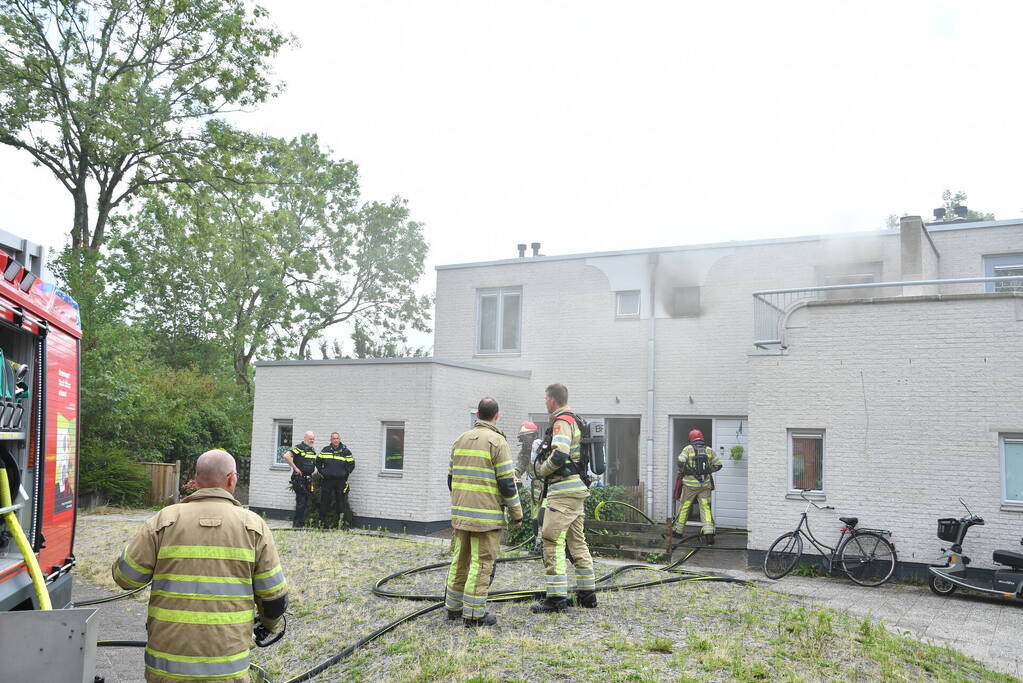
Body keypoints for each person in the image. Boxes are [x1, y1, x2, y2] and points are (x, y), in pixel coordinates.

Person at [111, 449, 287, 683]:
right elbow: (274, 598)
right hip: (227, 669)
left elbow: (127, 578)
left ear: (195, 480)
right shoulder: (254, 526)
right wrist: (268, 626)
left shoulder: (163, 520)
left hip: (167, 668)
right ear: (232, 479)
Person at [445, 396, 523, 627]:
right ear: (496, 416)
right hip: (485, 519)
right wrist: (517, 514)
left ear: (477, 415)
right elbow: (507, 483)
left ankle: (453, 607)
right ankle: (474, 614)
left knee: (460, 560)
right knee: (481, 563)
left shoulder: (459, 440)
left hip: (461, 516)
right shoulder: (498, 442)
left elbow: (451, 479)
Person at [531, 383, 596, 613]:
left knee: (551, 540)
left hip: (563, 492)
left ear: (552, 399)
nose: (544, 402)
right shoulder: (575, 419)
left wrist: (542, 470)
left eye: (545, 398)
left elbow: (559, 455)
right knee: (577, 541)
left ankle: (556, 598)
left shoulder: (562, 421)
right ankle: (587, 595)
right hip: (575, 491)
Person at [673, 429, 722, 544]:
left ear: (691, 438)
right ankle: (709, 534)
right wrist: (707, 471)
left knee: (685, 506)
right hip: (705, 485)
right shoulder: (709, 450)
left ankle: (678, 531)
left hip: (690, 486)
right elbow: (718, 465)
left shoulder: (688, 449)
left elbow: (680, 462)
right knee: (705, 507)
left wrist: (686, 470)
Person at [317, 431, 355, 529]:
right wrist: (323, 472)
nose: (336, 440)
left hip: (340, 481)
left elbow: (351, 464)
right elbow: (318, 462)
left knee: (341, 503)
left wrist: (345, 474)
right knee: (324, 502)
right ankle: (321, 524)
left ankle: (342, 525)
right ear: (331, 440)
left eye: (337, 438)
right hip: (327, 480)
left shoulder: (345, 451)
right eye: (334, 438)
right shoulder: (325, 450)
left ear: (339, 439)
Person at [283, 431, 317, 527]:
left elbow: (311, 463)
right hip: (300, 478)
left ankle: (302, 522)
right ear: (305, 438)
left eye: (313, 439)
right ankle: (298, 525)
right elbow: (286, 456)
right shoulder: (299, 448)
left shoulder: (311, 450)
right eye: (310, 439)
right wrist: (295, 468)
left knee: (305, 501)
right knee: (301, 501)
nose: (312, 440)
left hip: (308, 478)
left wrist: (312, 471)